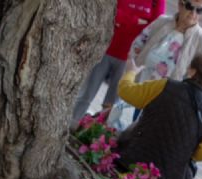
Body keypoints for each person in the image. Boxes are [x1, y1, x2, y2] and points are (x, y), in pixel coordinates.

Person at [115, 50, 202, 179]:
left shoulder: (165, 85)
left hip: (133, 159)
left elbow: (126, 92)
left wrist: (131, 72)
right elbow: (200, 155)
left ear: (192, 71)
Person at [69, 0, 166, 129]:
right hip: (105, 49)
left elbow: (156, 25)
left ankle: (94, 137)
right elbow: (109, 12)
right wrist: (136, 20)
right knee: (86, 94)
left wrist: (124, 19)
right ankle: (70, 126)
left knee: (111, 105)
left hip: (129, 58)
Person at [130, 0, 202, 83]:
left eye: (199, 10)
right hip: (138, 85)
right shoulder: (162, 21)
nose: (193, 13)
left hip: (168, 94)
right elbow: (138, 44)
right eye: (190, 7)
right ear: (180, 5)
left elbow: (201, 76)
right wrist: (133, 71)